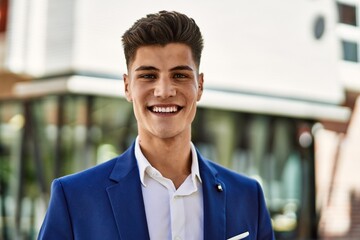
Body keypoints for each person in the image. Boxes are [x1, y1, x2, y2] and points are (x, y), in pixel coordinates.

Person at [38, 10, 275, 240]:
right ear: (127, 86)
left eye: (180, 75)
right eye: (148, 76)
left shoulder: (247, 196)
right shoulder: (74, 197)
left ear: (200, 86)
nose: (164, 91)